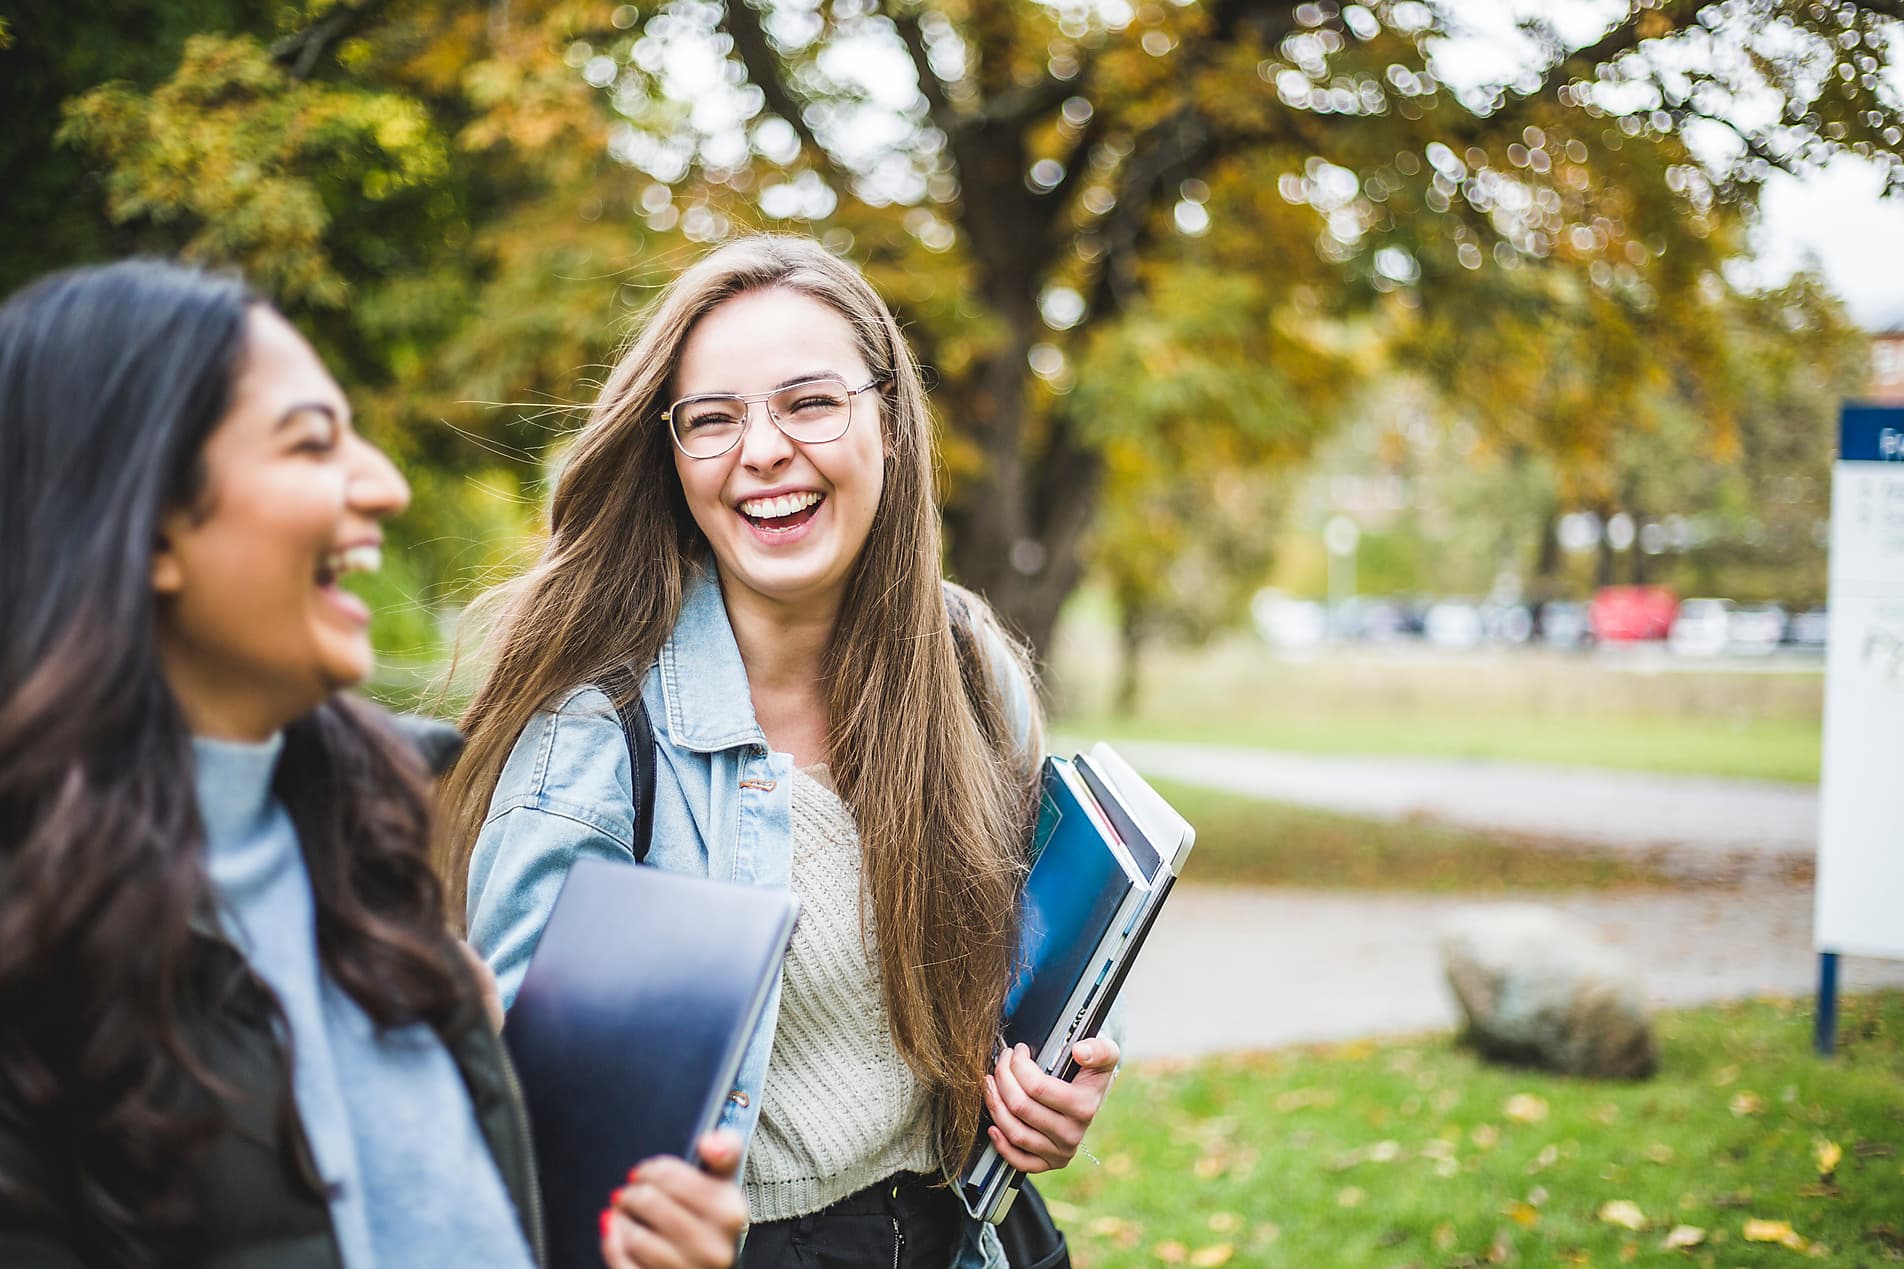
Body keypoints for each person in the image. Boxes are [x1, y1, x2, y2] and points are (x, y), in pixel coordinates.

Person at [0, 259, 746, 1269]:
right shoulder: (34, 955)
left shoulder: (371, 855)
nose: (383, 486)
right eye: (312, 443)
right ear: (141, 519)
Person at [438, 235, 1120, 1269]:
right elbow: (516, 1147)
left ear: (886, 424)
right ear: (672, 461)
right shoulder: (595, 739)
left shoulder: (970, 669)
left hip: (978, 1242)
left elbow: (1019, 969)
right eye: (712, 419)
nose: (760, 450)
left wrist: (1045, 1091)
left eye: (808, 403)